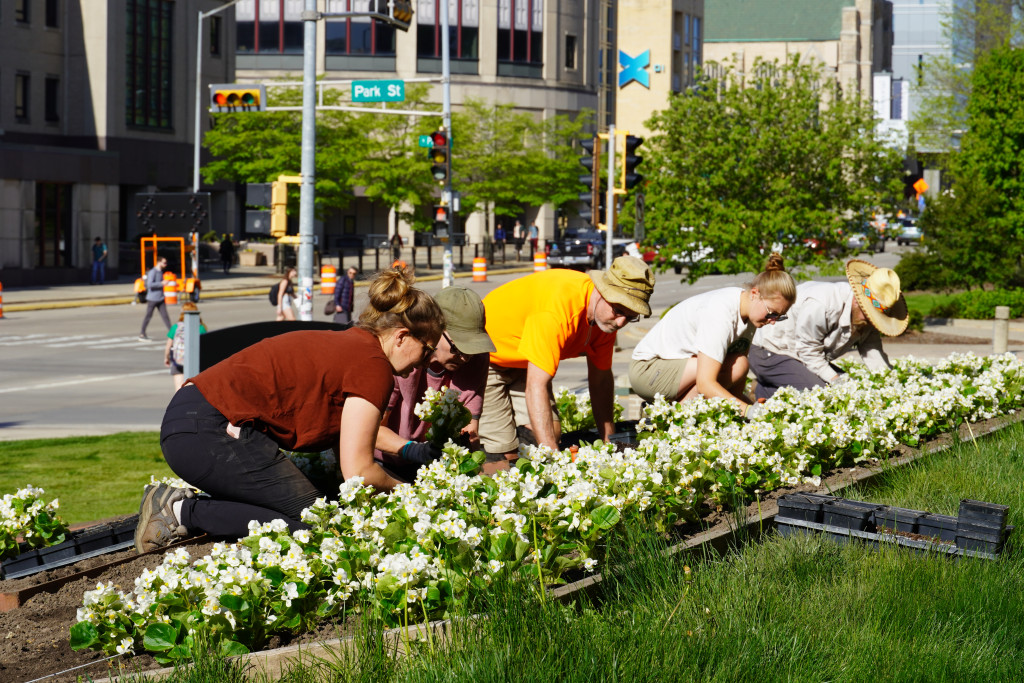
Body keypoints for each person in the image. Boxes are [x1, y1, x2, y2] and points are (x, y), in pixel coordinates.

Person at [134, 267, 446, 552]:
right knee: (317, 527)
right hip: (208, 428)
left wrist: (404, 456)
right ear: (403, 337)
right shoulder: (373, 367)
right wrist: (407, 493)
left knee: (314, 513)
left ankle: (188, 510)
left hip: (195, 419)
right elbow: (359, 473)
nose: (429, 360)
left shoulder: (356, 346)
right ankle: (179, 511)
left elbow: (355, 440)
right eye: (428, 348)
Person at [479, 255, 655, 462]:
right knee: (503, 451)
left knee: (549, 433)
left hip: (522, 358)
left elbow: (600, 381)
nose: (621, 322)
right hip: (486, 357)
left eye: (631, 315)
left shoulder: (605, 323)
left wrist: (610, 442)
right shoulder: (557, 310)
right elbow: (536, 386)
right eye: (618, 310)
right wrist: (556, 463)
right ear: (600, 291)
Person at [629, 253, 796, 418]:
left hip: (680, 370)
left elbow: (733, 387)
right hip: (647, 371)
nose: (772, 321)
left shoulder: (751, 315)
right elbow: (705, 384)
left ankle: (680, 415)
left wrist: (759, 414)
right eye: (771, 313)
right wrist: (748, 411)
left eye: (779, 316)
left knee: (738, 364)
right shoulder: (721, 313)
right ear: (754, 294)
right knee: (737, 365)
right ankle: (676, 418)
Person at [375, 286, 496, 480]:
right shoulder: (401, 356)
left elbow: (470, 429)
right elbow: (373, 430)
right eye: (458, 348)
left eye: (471, 349)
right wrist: (413, 451)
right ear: (435, 328)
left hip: (433, 466)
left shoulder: (476, 359)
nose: (465, 358)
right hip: (385, 460)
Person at [747, 259, 908, 399]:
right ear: (858, 301)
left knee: (854, 390)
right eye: (870, 314)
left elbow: (872, 350)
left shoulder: (865, 319)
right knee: (822, 394)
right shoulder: (822, 304)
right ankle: (764, 391)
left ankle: (771, 383)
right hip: (769, 352)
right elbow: (808, 352)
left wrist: (891, 384)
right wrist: (836, 380)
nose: (872, 320)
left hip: (799, 358)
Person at [164, 301, 208, 391]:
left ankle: (180, 403)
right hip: (195, 362)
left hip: (178, 361)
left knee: (179, 389)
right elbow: (205, 346)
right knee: (191, 389)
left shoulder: (176, 327)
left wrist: (166, 358)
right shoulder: (201, 328)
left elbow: (168, 346)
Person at [139, 256, 171, 341]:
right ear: (159, 262)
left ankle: (172, 334)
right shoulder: (153, 272)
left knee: (165, 316)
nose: (165, 264)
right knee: (148, 316)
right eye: (164, 262)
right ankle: (142, 333)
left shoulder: (160, 272)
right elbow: (149, 285)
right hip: (153, 298)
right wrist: (161, 283)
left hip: (160, 298)